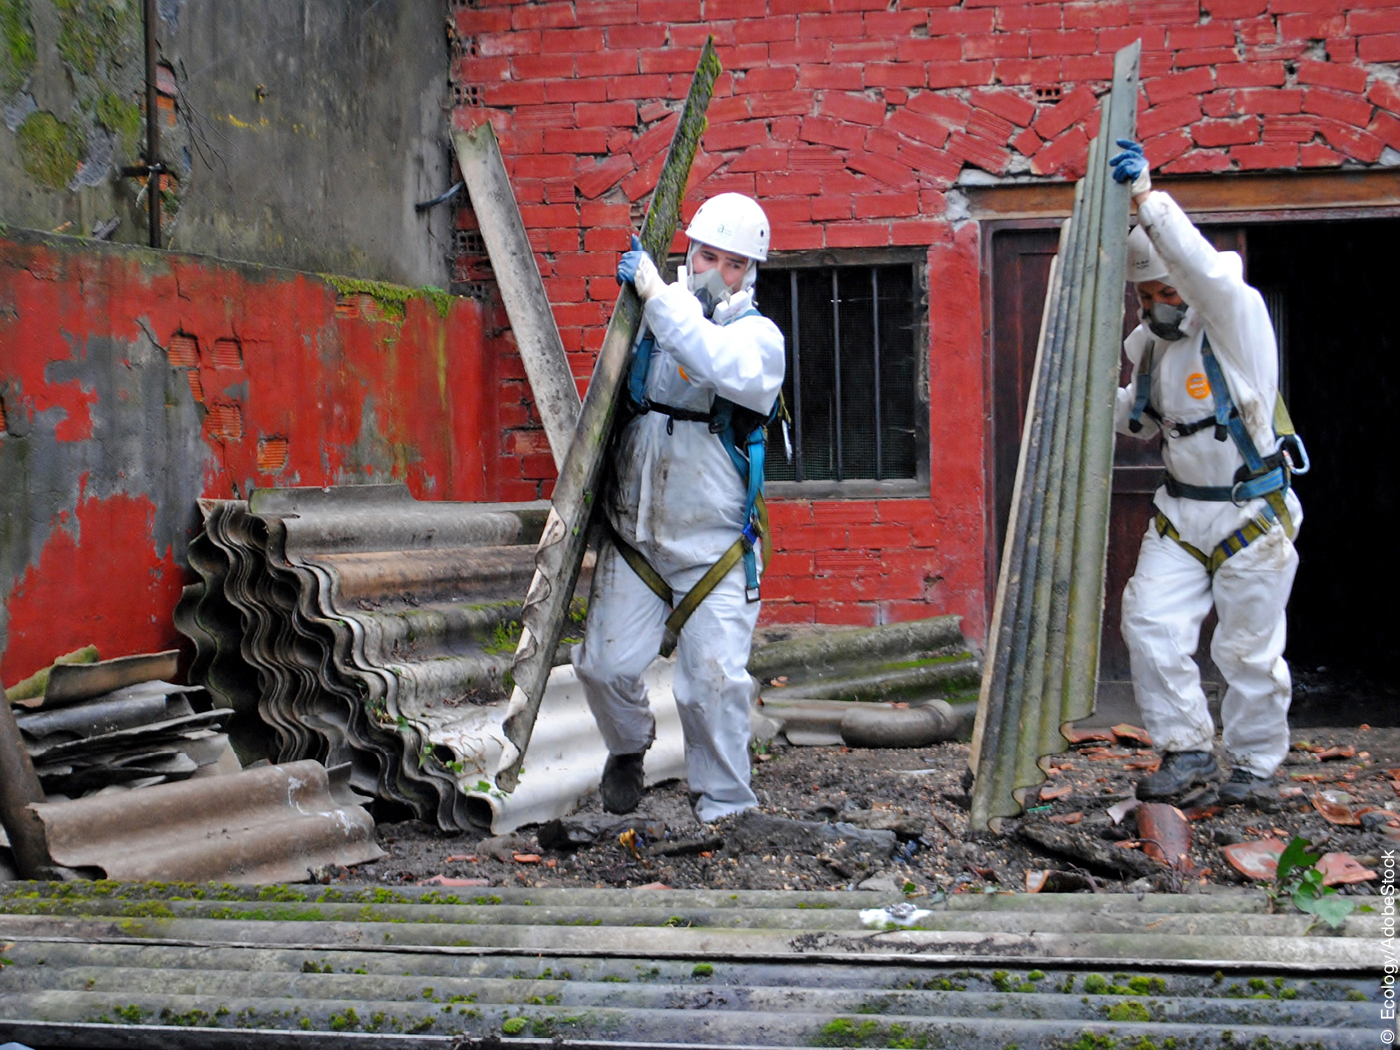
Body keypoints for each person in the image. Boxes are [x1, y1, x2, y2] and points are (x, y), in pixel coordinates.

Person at [572, 192, 785, 821]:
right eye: (706, 255)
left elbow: (711, 359)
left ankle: (725, 811)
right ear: (688, 252)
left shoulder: (758, 341)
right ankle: (629, 746)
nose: (716, 273)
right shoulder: (651, 323)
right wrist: (647, 303)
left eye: (734, 264)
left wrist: (656, 295)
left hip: (713, 548)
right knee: (602, 667)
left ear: (752, 273)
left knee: (713, 687)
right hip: (636, 540)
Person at [1108, 140, 1304, 806]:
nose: (1163, 300)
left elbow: (1200, 269)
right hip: (1181, 510)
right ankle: (1188, 753)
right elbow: (1139, 420)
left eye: (1169, 288)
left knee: (1247, 653)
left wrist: (1147, 200)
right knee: (1150, 623)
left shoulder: (1234, 318)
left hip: (1252, 510)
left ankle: (1253, 765)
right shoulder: (1152, 349)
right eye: (1150, 291)